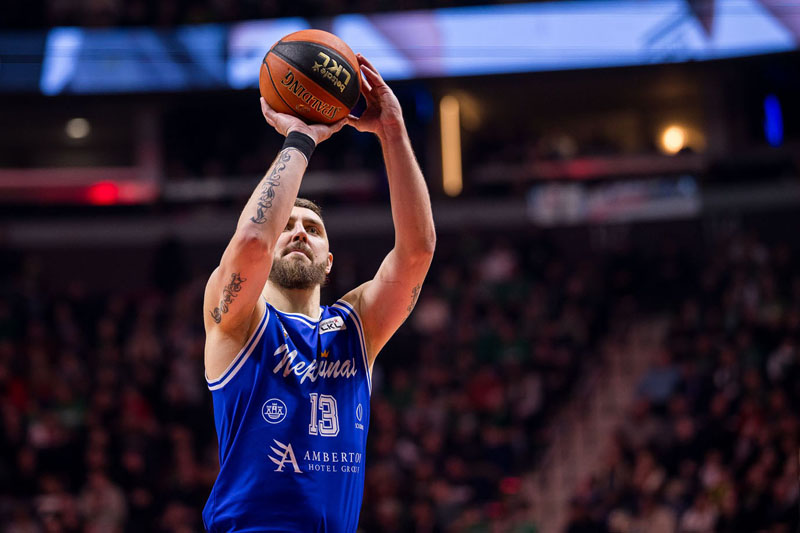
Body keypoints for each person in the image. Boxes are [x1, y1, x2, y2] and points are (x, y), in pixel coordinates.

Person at [201, 54, 436, 532]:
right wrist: (301, 139)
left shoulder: (355, 326)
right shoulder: (239, 319)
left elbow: (417, 252)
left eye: (313, 228)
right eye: (288, 225)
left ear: (329, 261)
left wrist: (392, 131)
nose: (299, 232)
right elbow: (252, 240)